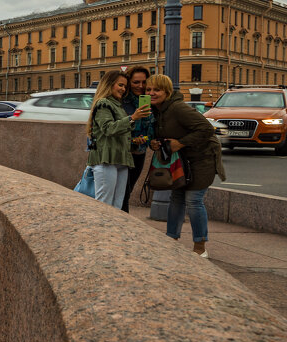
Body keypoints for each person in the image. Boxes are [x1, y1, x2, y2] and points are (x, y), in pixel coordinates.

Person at [147, 73, 222, 258]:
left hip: (202, 159)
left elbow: (205, 129)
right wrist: (155, 143)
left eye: (156, 90)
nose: (151, 93)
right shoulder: (156, 110)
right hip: (181, 162)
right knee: (177, 198)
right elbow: (162, 134)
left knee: (193, 201)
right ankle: (171, 240)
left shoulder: (178, 108)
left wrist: (179, 143)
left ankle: (200, 246)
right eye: (149, 90)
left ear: (167, 91)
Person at [85, 70, 149, 209]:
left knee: (117, 205)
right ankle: (101, 231)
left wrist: (133, 141)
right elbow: (108, 128)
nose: (123, 89)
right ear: (109, 84)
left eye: (125, 86)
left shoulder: (117, 104)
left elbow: (120, 132)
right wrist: (133, 118)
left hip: (121, 158)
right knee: (104, 203)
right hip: (106, 159)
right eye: (120, 85)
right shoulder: (103, 103)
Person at [120, 66, 154, 213]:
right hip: (123, 153)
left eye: (144, 82)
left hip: (140, 153)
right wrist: (134, 117)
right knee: (121, 193)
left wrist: (148, 139)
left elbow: (152, 127)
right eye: (136, 82)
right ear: (129, 83)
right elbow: (118, 126)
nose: (140, 86)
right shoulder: (122, 101)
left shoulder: (150, 101)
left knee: (128, 191)